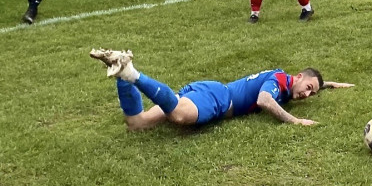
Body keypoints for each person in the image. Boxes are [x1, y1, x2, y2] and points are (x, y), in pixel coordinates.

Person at [87, 48, 353, 131]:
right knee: (179, 116)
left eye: (312, 94)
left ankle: (122, 74)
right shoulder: (281, 80)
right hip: (218, 98)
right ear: (297, 77)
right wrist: (295, 120)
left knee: (137, 123)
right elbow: (263, 100)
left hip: (208, 90)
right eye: (308, 88)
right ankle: (132, 72)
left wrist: (330, 84)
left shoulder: (288, 84)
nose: (307, 95)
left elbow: (310, 85)